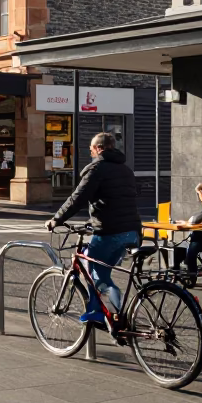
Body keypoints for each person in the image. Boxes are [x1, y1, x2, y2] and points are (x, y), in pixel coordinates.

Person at [46, 132, 141, 324]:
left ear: (99, 148)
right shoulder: (125, 170)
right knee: (101, 270)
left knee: (93, 271)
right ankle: (104, 313)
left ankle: (112, 313)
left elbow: (77, 198)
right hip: (132, 231)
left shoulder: (97, 169)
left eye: (91, 150)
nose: (91, 154)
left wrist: (56, 219)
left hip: (110, 231)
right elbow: (117, 200)